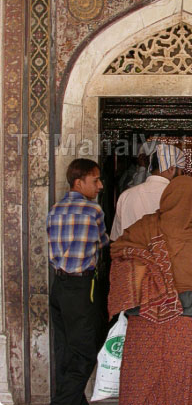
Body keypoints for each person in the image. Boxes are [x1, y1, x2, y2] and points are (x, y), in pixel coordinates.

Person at [108, 175, 192, 405]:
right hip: (184, 323)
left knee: (141, 384)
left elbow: (117, 250)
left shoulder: (144, 226)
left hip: (144, 320)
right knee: (178, 384)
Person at [47, 158, 109, 405]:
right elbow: (103, 244)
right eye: (95, 180)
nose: (100, 186)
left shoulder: (55, 209)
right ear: (78, 182)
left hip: (59, 287)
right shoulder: (93, 211)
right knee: (84, 354)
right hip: (81, 289)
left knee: (65, 351)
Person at [110, 143, 185, 241]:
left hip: (131, 256)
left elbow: (115, 239)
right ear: (171, 169)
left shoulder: (126, 196)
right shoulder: (181, 198)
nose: (181, 175)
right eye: (181, 171)